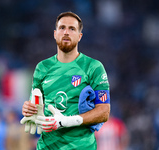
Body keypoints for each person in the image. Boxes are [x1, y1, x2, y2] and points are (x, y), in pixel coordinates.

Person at [21, 11, 110, 150]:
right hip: (47, 146)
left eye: (72, 29)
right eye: (62, 28)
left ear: (80, 36)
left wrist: (67, 121)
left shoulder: (94, 67)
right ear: (55, 33)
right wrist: (29, 109)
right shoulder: (42, 67)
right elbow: (35, 101)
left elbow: (104, 112)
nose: (66, 32)